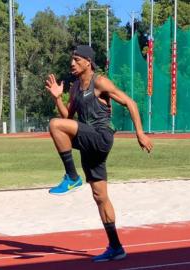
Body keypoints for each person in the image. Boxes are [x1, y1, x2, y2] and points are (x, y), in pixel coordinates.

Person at [45, 45, 153, 262]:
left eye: (76, 60)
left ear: (88, 62)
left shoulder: (100, 82)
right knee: (100, 196)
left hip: (101, 136)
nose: (72, 64)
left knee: (55, 125)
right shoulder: (75, 88)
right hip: (88, 142)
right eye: (71, 60)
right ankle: (116, 246)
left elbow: (129, 102)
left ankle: (72, 177)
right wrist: (58, 98)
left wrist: (140, 133)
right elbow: (69, 115)